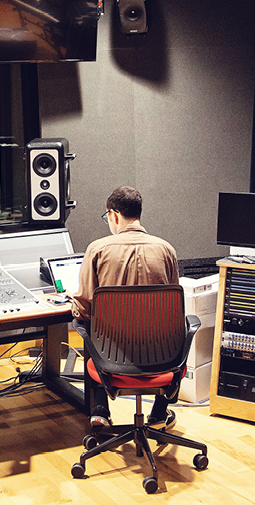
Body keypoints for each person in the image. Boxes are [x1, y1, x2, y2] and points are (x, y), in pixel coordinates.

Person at [72, 186, 180, 434]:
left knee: (89, 327)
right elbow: (174, 305)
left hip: (112, 357)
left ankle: (100, 411)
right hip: (160, 355)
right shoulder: (166, 250)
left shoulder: (98, 249)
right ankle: (159, 413)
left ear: (114, 215)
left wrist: (73, 304)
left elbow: (85, 306)